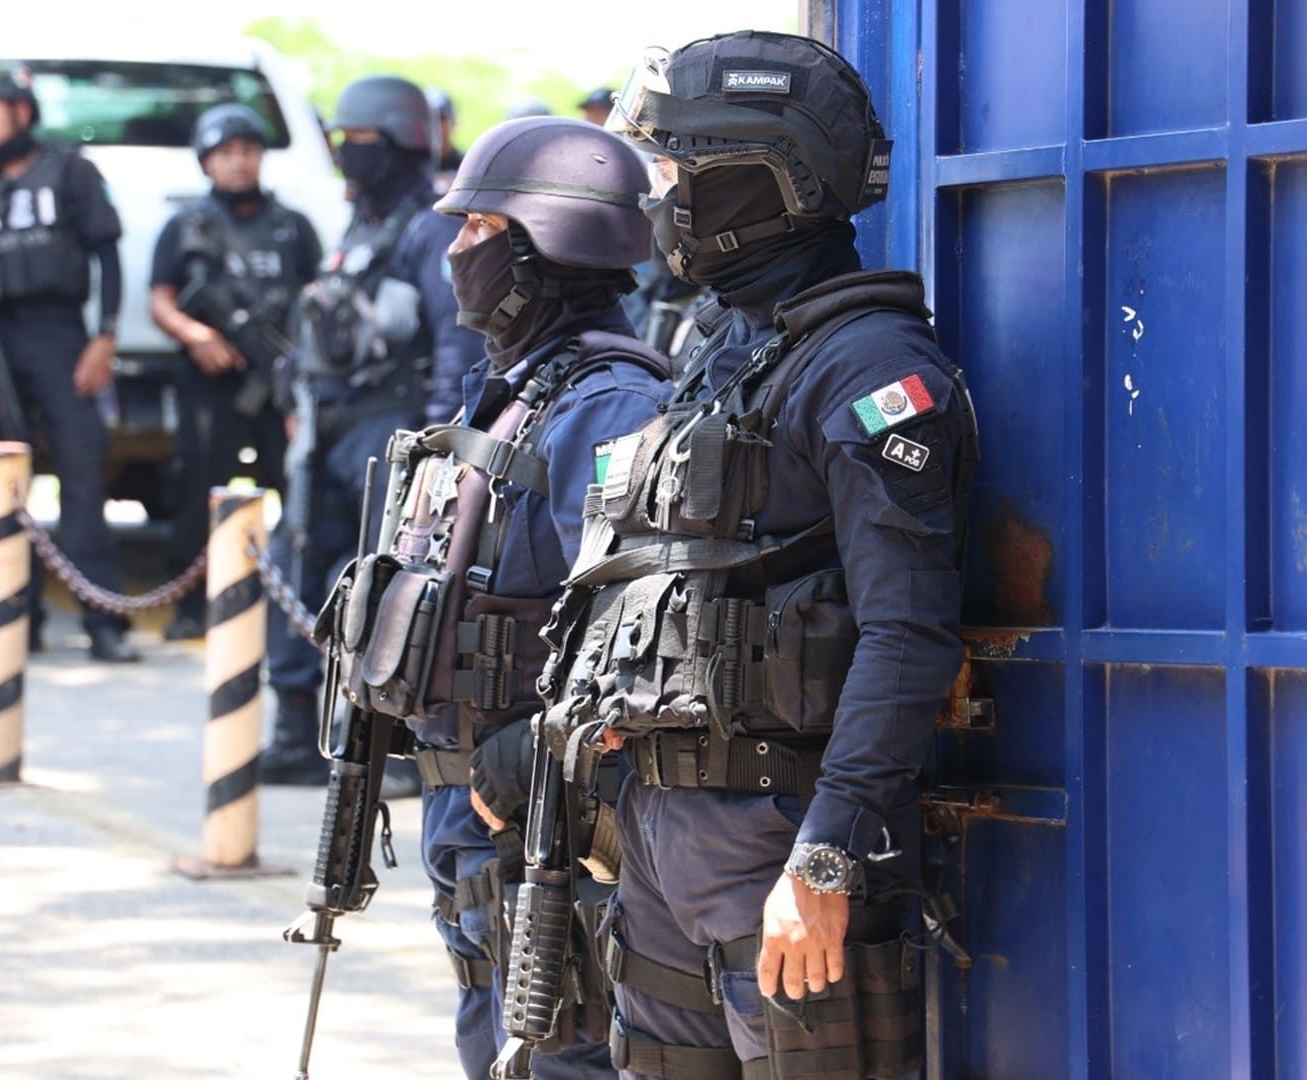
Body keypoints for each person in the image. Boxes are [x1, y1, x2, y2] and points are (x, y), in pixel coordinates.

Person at [542, 31, 977, 1078]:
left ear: (764, 179)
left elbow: (909, 631)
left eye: (683, 171)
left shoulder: (871, 370)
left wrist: (825, 858)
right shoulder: (721, 349)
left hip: (780, 840)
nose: (663, 197)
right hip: (660, 832)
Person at [317, 114, 668, 1077]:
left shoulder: (611, 403)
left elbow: (636, 619)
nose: (456, 250)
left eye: (478, 231)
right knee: (493, 1030)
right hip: (470, 804)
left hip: (543, 811)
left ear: (544, 245)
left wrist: (539, 746)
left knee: (557, 1048)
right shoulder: (518, 386)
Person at [259, 74, 483, 786]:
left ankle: (391, 743)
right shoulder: (361, 221)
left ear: (399, 142)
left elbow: (455, 342)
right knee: (293, 559)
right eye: (343, 141)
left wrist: (438, 443)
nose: (348, 154)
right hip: (329, 423)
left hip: (393, 424)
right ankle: (297, 731)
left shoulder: (432, 223)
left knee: (376, 579)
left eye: (362, 142)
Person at [0, 66, 139, 663]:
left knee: (83, 478)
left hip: (60, 335)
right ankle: (16, 617)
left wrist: (104, 338)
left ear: (22, 112)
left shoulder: (70, 171)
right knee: (3, 483)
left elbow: (107, 257)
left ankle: (103, 622)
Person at [148, 104, 322, 641]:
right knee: (200, 483)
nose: (238, 161)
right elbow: (161, 299)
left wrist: (301, 385)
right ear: (206, 162)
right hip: (211, 379)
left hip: (279, 382)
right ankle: (189, 605)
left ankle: (296, 605)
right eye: (225, 152)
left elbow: (318, 302)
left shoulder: (292, 228)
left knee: (295, 487)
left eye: (247, 150)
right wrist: (197, 336)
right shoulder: (187, 225)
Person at [427, 87, 464, 181]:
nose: (434, 125)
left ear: (454, 121)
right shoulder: (409, 161)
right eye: (428, 118)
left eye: (440, 119)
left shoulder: (466, 165)